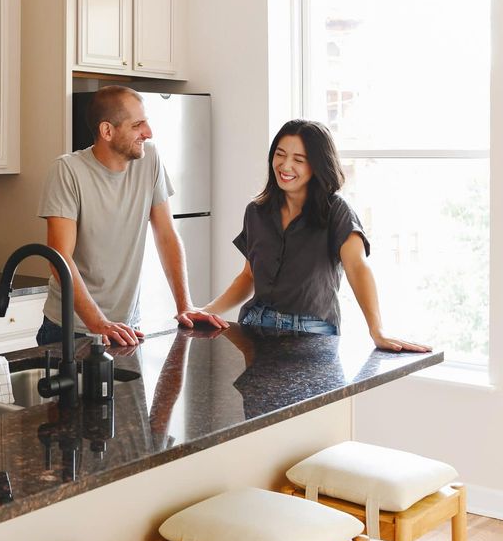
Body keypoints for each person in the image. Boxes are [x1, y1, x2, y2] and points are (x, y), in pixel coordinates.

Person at [207, 119, 431, 353]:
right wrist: (207, 311)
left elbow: (357, 268)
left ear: (317, 165)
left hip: (313, 333)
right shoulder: (256, 212)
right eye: (280, 155)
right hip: (255, 327)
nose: (285, 166)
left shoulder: (336, 211)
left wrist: (377, 330)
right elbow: (248, 276)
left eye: (299, 160)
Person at [36, 85, 228, 347]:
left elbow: (167, 236)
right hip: (71, 329)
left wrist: (185, 306)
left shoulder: (150, 160)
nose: (148, 133)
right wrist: (98, 323)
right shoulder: (68, 171)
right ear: (107, 131)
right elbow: (60, 258)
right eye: (138, 125)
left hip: (126, 328)